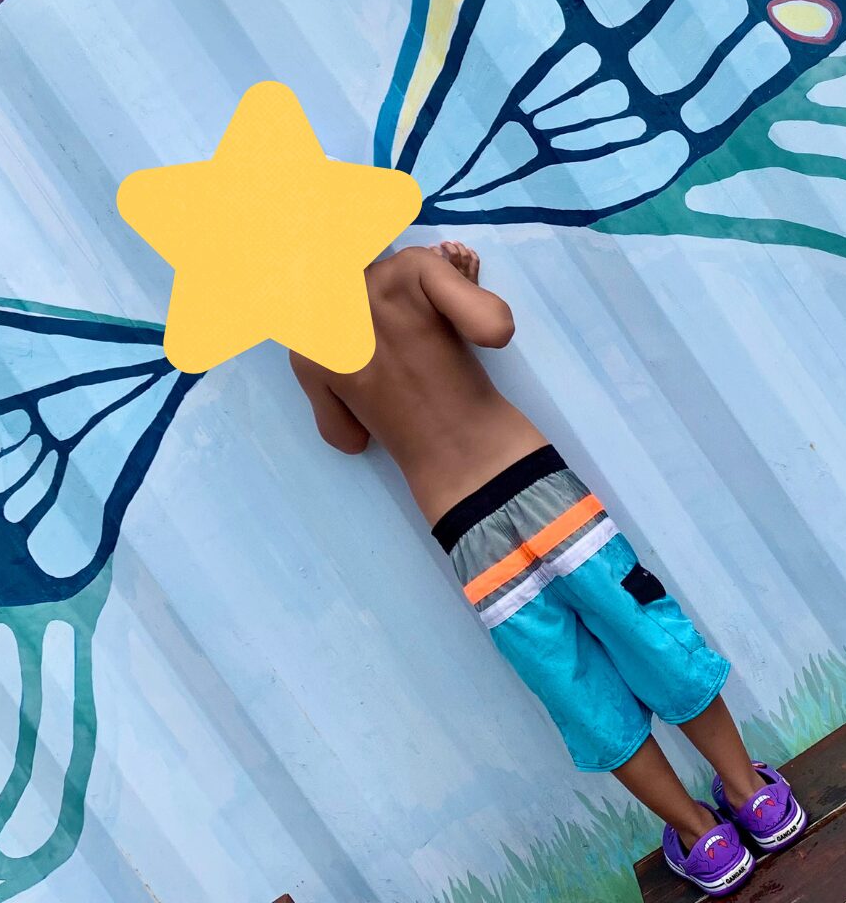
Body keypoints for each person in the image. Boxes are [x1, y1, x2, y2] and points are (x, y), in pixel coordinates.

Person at [289, 240, 804, 895]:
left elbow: (347, 438)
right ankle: (753, 796)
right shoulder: (412, 270)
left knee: (574, 684)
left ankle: (704, 840)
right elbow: (495, 327)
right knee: (644, 632)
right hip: (543, 492)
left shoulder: (306, 348)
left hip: (469, 538)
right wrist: (460, 285)